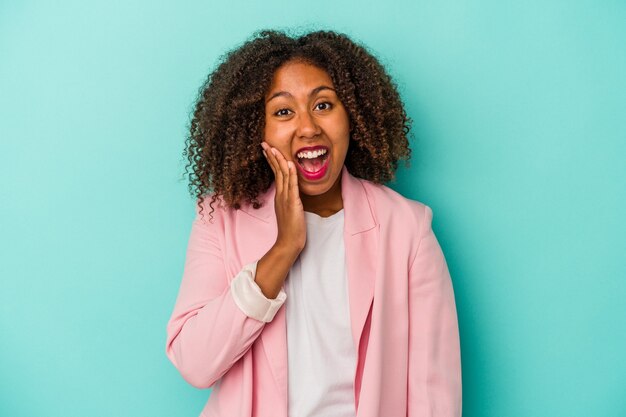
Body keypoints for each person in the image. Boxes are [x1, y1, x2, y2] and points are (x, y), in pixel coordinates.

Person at [165, 29, 462, 417]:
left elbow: (433, 397)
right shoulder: (220, 219)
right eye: (283, 111)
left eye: (323, 105)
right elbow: (195, 363)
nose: (308, 127)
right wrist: (284, 249)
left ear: (353, 117)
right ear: (258, 130)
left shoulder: (407, 229)